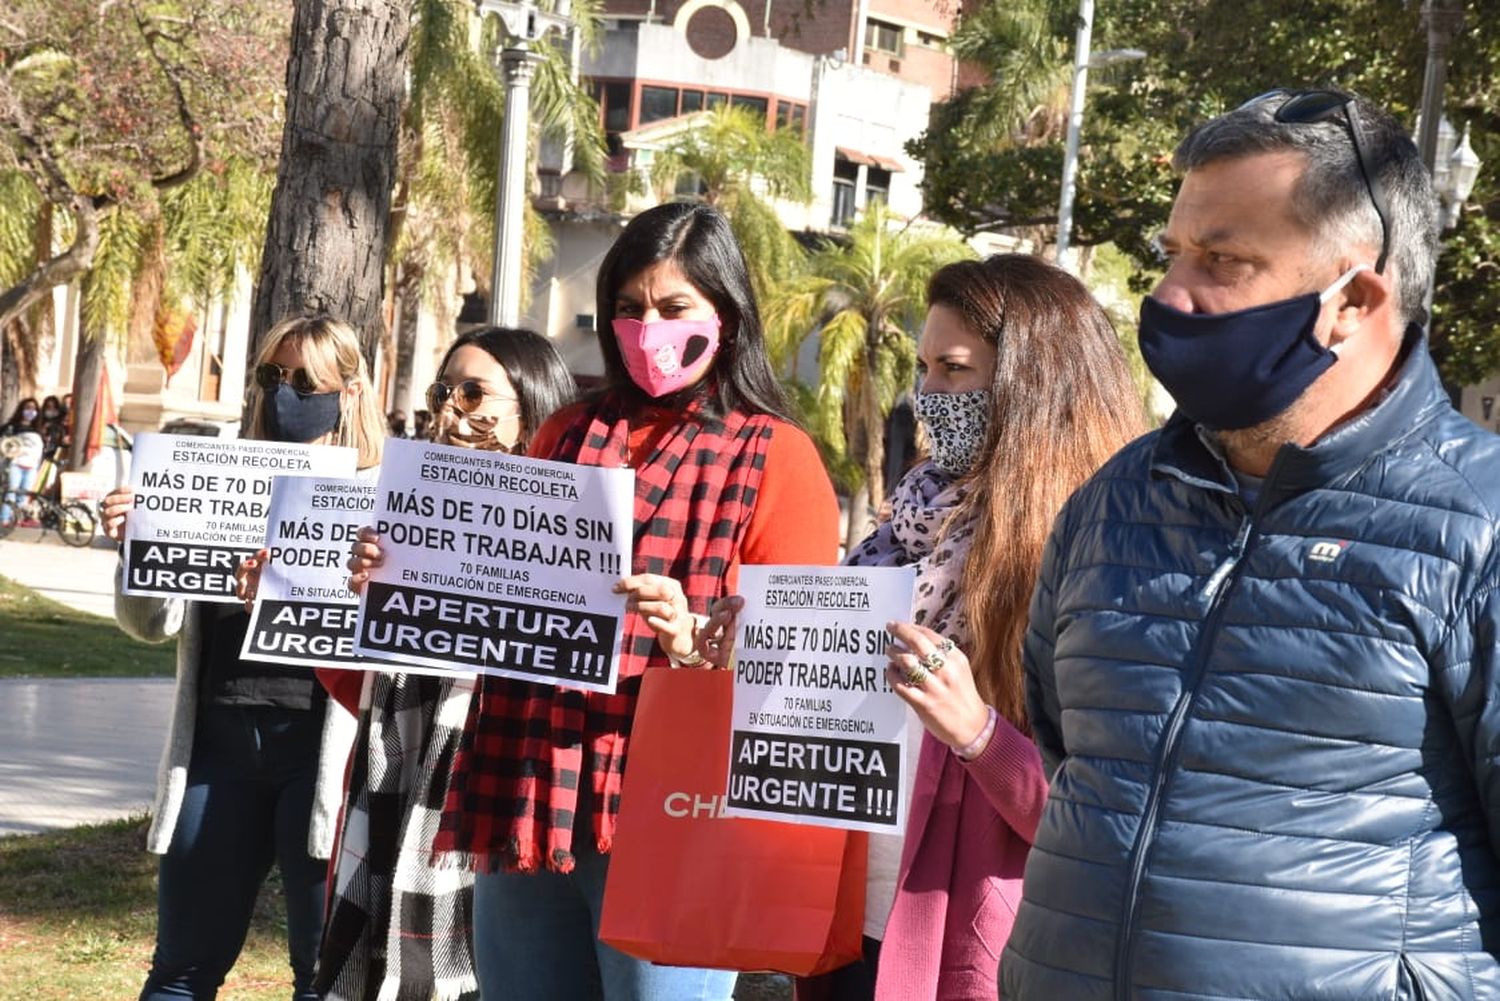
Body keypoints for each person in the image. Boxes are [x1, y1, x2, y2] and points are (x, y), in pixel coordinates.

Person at [998, 90, 1500, 999]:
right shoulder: (1113, 503)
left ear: (1353, 298)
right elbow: (1071, 754)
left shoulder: (1480, 527)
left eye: (1222, 261)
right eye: (1172, 254)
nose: (1170, 295)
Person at [694, 256, 1143, 1001]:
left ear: (1033, 381)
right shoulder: (907, 521)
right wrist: (763, 649)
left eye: (954, 369)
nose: (926, 392)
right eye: (925, 365)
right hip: (840, 919)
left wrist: (978, 733)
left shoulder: (1099, 553)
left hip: (967, 944)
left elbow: (1103, 820)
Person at [425, 202, 840, 1001]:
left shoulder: (780, 458)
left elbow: (798, 669)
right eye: (627, 308)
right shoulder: (566, 432)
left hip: (675, 814)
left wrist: (691, 640)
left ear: (725, 312)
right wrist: (406, 573)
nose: (647, 327)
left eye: (673, 307)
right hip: (529, 788)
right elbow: (498, 585)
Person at [102, 314, 384, 1001]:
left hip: (323, 752)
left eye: (305, 380)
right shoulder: (205, 477)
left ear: (348, 393)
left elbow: (389, 645)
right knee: (181, 969)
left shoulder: (380, 496)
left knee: (322, 977)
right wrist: (138, 547)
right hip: (216, 745)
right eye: (272, 376)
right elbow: (147, 624)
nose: (283, 393)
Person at [314, 327, 575, 1001]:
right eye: (442, 390)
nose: (453, 410)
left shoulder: (570, 523)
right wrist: (363, 599)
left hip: (491, 800)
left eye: (474, 391)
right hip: (395, 792)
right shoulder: (404, 510)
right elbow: (351, 687)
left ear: (531, 408)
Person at [1, 397, 45, 521]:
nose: (30, 411)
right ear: (22, 410)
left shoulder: (38, 428)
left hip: (31, 467)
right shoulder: (12, 426)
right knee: (11, 493)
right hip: (15, 465)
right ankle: (4, 519)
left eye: (33, 409)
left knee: (24, 496)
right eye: (28, 408)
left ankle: (17, 520)